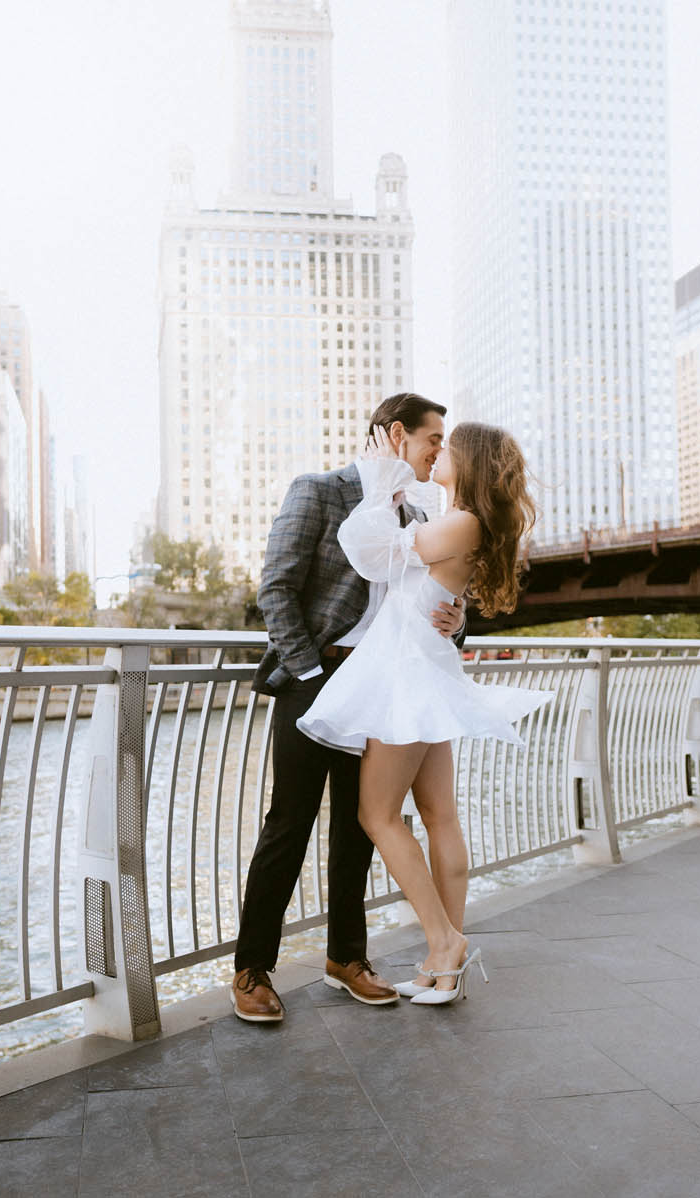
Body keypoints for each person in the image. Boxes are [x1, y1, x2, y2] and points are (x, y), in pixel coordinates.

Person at [232, 393, 466, 1023]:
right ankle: (252, 969)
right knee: (290, 821)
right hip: (317, 675)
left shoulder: (419, 512)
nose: (440, 450)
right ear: (396, 434)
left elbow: (438, 601)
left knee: (362, 824)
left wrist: (456, 620)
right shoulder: (319, 490)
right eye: (433, 438)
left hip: (383, 685)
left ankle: (346, 959)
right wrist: (308, 672)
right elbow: (275, 587)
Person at [298, 421, 549, 1005]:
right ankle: (446, 965)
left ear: (471, 462)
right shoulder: (459, 523)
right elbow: (425, 583)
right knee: (439, 815)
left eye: (449, 446)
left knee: (377, 814)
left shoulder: (459, 522)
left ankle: (443, 941)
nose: (439, 452)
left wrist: (383, 482)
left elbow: (371, 553)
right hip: (423, 667)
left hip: (409, 675)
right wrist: (457, 614)